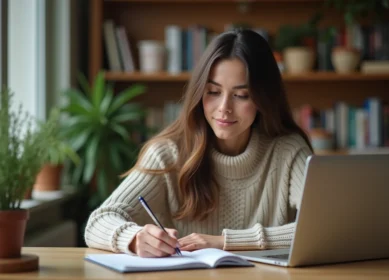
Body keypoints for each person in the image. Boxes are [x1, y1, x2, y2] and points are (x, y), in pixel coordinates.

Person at [84, 29, 313, 258]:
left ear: (264, 98)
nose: (224, 107)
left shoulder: (288, 151)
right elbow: (99, 221)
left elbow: (326, 228)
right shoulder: (168, 153)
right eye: (213, 91)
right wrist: (133, 239)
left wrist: (224, 242)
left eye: (241, 95)